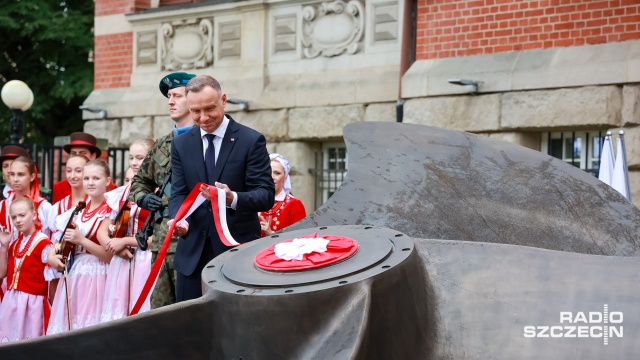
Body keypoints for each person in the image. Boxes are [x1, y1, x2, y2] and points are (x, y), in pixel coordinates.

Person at [168, 75, 274, 302]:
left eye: (209, 109)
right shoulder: (181, 144)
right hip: (192, 256)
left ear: (223, 100)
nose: (203, 117)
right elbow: (178, 192)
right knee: (188, 328)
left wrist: (232, 198)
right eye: (196, 111)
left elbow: (265, 195)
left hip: (237, 254)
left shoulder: (250, 140)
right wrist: (180, 220)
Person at [128, 71, 196, 309]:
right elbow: (138, 182)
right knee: (160, 312)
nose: (170, 101)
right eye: (169, 96)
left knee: (189, 309)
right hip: (161, 243)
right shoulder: (162, 145)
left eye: (177, 95)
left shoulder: (205, 140)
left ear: (193, 99)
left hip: (192, 240)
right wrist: (144, 198)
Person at [46, 160, 114, 334]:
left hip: (100, 276)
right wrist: (52, 257)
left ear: (107, 180)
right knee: (69, 327)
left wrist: (81, 240)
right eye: (87, 178)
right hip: (75, 276)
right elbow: (57, 244)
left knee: (91, 328)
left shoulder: (112, 211)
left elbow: (109, 256)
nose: (90, 183)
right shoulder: (77, 212)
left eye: (96, 178)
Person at [100, 139, 153, 321]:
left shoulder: (159, 191)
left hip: (146, 258)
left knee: (141, 309)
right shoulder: (122, 193)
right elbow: (102, 230)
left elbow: (159, 237)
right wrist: (114, 245)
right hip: (122, 260)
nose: (134, 162)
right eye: (131, 157)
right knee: (118, 310)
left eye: (140, 157)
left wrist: (125, 241)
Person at [0, 197, 52, 342]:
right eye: (14, 217)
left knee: (30, 342)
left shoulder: (43, 242)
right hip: (12, 301)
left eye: (22, 215)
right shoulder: (14, 244)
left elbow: (52, 277)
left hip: (32, 303)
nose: (18, 220)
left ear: (34, 215)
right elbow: (2, 273)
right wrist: (4, 246)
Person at [52, 132, 117, 203]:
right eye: (73, 154)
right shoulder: (58, 188)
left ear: (93, 156)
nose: (77, 157)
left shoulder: (109, 188)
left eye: (82, 153)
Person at [0, 156, 53, 238]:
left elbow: (52, 241)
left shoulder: (43, 207)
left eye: (20, 174)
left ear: (32, 177)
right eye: (12, 174)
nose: (15, 179)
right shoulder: (2, 206)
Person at [259, 154, 306, 237]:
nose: (271, 177)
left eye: (277, 173)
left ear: (285, 176)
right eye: (267, 172)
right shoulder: (254, 201)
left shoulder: (294, 204)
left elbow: (300, 238)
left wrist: (271, 234)